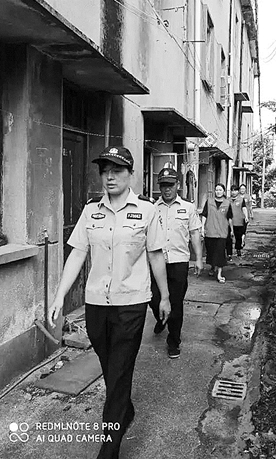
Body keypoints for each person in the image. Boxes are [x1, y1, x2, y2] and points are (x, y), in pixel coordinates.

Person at [48, 146, 171, 459]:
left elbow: (156, 254)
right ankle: (125, 409)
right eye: (105, 171)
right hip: (96, 305)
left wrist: (165, 296)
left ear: (131, 174)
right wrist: (59, 295)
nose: (110, 176)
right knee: (110, 366)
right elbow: (78, 253)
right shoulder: (91, 211)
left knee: (119, 371)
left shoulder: (147, 210)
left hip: (131, 303)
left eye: (117, 170)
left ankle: (109, 445)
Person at [150, 167, 203, 359]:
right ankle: (161, 318)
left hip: (179, 263)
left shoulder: (188, 207)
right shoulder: (152, 208)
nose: (167, 189)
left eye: (170, 185)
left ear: (178, 185)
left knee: (176, 304)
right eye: (163, 185)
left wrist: (198, 258)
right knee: (153, 299)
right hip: (157, 263)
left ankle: (173, 341)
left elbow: (195, 233)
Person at [201, 183, 233, 283]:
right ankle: (212, 267)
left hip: (222, 232)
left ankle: (219, 274)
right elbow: (204, 215)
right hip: (210, 231)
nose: (218, 192)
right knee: (211, 252)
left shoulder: (227, 203)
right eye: (217, 190)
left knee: (220, 253)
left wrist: (231, 230)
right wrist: (202, 228)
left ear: (224, 191)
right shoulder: (209, 201)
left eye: (220, 190)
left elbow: (230, 218)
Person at [226, 185, 249, 259]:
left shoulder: (241, 200)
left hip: (239, 222)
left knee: (238, 237)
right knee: (228, 238)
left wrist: (246, 217)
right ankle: (229, 254)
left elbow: (244, 208)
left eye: (235, 190)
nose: (233, 192)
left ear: (238, 191)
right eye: (232, 190)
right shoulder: (227, 200)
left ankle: (238, 249)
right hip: (229, 222)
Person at [239, 183, 254, 248]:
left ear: (245, 189)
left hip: (245, 216)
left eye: (243, 189)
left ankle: (242, 241)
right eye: (241, 189)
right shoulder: (237, 196)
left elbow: (250, 206)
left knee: (243, 229)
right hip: (238, 215)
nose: (242, 190)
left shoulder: (248, 197)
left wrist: (251, 214)